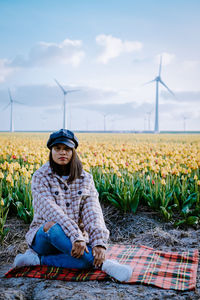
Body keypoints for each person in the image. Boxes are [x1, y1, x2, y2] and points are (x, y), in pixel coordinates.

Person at [14, 129, 132, 282]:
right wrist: (76, 236)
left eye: (67, 149)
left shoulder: (85, 178)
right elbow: (52, 212)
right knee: (53, 226)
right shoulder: (40, 177)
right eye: (58, 148)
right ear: (51, 151)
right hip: (45, 239)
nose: (62, 152)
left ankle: (38, 260)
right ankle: (104, 265)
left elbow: (93, 211)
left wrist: (99, 242)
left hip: (74, 242)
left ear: (73, 151)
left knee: (82, 260)